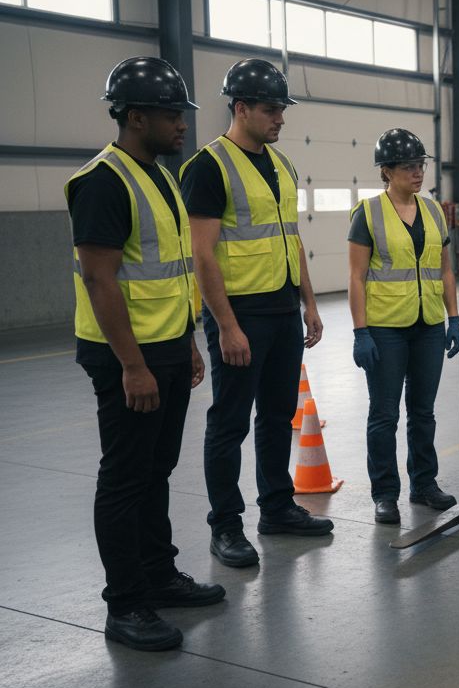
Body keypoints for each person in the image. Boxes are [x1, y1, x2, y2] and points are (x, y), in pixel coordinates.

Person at [66, 57, 225, 651]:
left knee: (157, 470)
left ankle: (159, 575)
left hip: (166, 347)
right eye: (170, 115)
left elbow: (171, 272)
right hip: (126, 357)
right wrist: (132, 365)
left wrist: (186, 342)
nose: (182, 125)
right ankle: (126, 604)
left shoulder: (159, 176)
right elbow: (100, 280)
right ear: (136, 117)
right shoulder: (103, 182)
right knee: (126, 478)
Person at [181, 58, 330, 567]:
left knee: (277, 415)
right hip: (239, 314)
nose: (280, 118)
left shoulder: (281, 165)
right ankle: (225, 526)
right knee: (229, 423)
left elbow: (291, 238)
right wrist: (226, 326)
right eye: (271, 110)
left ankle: (277, 507)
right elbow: (202, 255)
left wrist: (309, 303)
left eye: (282, 109)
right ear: (241, 108)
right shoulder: (209, 167)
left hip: (283, 309)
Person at [347, 129, 459, 524]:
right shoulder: (368, 213)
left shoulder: (432, 211)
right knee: (384, 415)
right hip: (385, 329)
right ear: (387, 171)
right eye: (409, 166)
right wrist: (360, 332)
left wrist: (453, 317)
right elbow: (356, 277)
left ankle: (424, 484)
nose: (418, 173)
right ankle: (385, 494)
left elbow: (445, 271)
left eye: (421, 165)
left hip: (428, 325)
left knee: (423, 412)